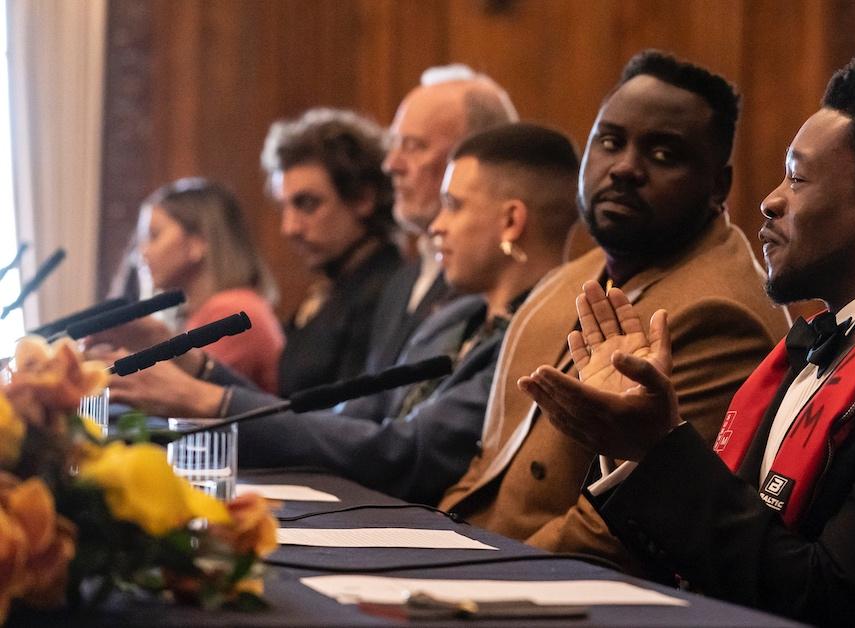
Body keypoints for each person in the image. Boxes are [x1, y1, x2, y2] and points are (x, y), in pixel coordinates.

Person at [520, 61, 855, 626]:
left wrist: (661, 448)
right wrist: (636, 443)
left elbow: (831, 601)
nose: (769, 201)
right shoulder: (829, 341)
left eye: (797, 178)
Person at [435, 50, 789, 567]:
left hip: (551, 588)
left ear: (718, 186)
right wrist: (430, 543)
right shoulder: (576, 274)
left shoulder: (719, 313)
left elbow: (618, 528)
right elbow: (487, 464)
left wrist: (473, 575)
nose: (625, 168)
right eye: (610, 141)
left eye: (663, 154)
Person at [104, 123, 579, 505]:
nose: (435, 225)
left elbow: (404, 453)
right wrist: (196, 367)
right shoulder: (452, 321)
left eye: (452, 207)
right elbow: (336, 420)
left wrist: (210, 403)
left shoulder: (540, 337)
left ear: (512, 221)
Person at [365, 65, 519, 388]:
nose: (390, 164)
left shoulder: (488, 282)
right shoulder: (400, 282)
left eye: (414, 146)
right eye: (394, 144)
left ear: (474, 158)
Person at [261, 108, 401, 396]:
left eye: (307, 204)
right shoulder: (334, 288)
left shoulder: (389, 291)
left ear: (363, 198)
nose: (289, 228)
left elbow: (346, 425)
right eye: (283, 207)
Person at [135, 178, 284, 392]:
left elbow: (178, 397)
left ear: (198, 242)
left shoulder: (232, 310)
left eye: (154, 236)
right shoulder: (206, 311)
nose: (142, 252)